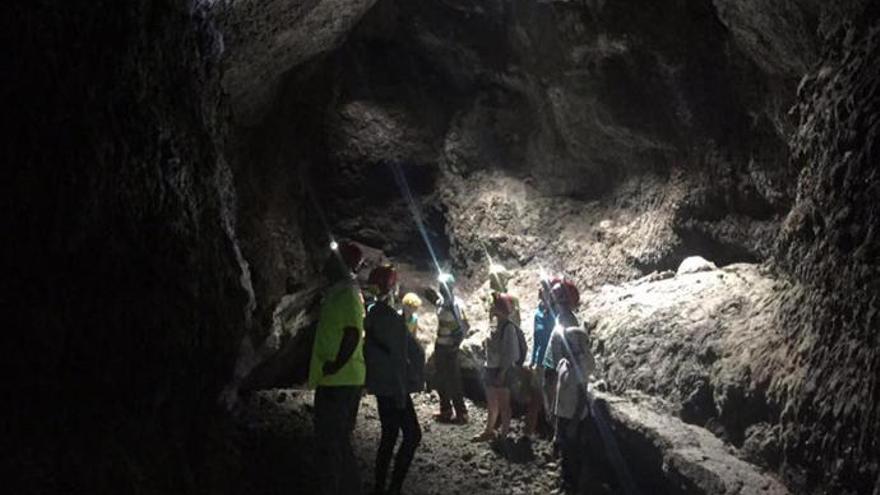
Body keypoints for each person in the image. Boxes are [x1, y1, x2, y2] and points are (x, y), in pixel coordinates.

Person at [308, 241, 367, 495]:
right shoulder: (339, 292)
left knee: (331, 442)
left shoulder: (346, 293)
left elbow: (353, 333)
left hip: (340, 380)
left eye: (334, 258)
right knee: (337, 441)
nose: (328, 261)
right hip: (337, 378)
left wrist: (335, 365)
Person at [364, 265, 423, 495]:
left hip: (380, 386)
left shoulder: (373, 314)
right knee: (412, 435)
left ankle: (379, 487)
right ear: (391, 287)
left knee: (389, 435)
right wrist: (402, 392)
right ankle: (393, 488)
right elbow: (399, 359)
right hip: (393, 388)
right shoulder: (391, 319)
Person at [472, 293, 520, 443]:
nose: (491, 308)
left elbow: (511, 353)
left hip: (502, 370)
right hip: (491, 368)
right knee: (492, 403)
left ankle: (504, 435)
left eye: (494, 306)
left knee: (504, 405)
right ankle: (489, 431)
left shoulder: (508, 328)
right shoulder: (494, 323)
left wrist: (503, 372)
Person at [553, 326, 596, 492]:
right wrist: (556, 418)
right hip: (564, 415)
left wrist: (574, 423)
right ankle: (566, 483)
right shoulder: (564, 364)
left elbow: (581, 398)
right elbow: (559, 393)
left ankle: (574, 487)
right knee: (566, 452)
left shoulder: (581, 368)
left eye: (568, 343)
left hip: (574, 418)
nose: (564, 346)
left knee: (574, 455)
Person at [542, 277, 581, 440]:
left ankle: (560, 443)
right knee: (551, 406)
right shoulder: (561, 317)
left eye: (555, 297)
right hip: (553, 367)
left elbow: (570, 348)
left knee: (557, 408)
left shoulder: (568, 319)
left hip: (559, 370)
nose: (552, 299)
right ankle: (556, 439)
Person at [432, 272, 469, 424]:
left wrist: (456, 343)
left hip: (451, 348)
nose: (441, 288)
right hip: (440, 345)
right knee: (440, 379)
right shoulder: (440, 303)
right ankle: (445, 409)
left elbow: (465, 326)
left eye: (443, 286)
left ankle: (461, 412)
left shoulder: (456, 305)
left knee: (454, 380)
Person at [525, 286, 555, 437]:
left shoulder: (556, 314)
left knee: (552, 400)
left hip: (552, 364)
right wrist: (532, 360)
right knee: (535, 398)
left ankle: (554, 436)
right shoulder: (538, 313)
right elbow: (537, 338)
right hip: (540, 362)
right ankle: (528, 432)